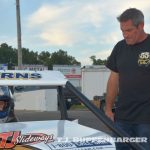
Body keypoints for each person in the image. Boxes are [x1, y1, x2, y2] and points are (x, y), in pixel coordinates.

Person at [105, 8, 150, 149]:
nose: (125, 35)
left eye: (129, 30)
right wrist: (108, 109)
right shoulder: (119, 47)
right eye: (122, 31)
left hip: (146, 121)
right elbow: (114, 79)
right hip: (122, 119)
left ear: (141, 26)